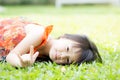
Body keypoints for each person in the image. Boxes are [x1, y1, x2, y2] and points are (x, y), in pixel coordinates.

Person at [0, 18, 102, 67]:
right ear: (64, 37)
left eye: (67, 60)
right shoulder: (39, 34)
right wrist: (20, 63)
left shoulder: (44, 57)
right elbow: (11, 56)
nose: (62, 56)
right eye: (67, 49)